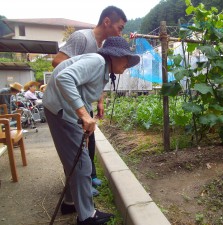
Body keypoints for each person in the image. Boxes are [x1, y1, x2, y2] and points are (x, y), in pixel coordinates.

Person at [43, 36, 140, 225]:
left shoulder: (103, 68)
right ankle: (87, 217)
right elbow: (65, 78)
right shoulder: (96, 61)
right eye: (126, 58)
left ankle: (72, 203)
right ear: (113, 56)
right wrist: (85, 116)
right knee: (82, 163)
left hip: (62, 109)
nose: (128, 63)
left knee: (76, 160)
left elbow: (83, 93)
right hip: (60, 109)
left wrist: (84, 118)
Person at [52, 5, 127, 196]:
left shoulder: (101, 48)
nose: (120, 33)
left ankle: (88, 178)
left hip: (83, 102)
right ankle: (77, 189)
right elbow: (57, 63)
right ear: (107, 21)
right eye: (119, 27)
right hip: (68, 102)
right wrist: (79, 67)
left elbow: (96, 77)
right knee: (75, 147)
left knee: (89, 142)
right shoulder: (82, 37)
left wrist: (100, 101)